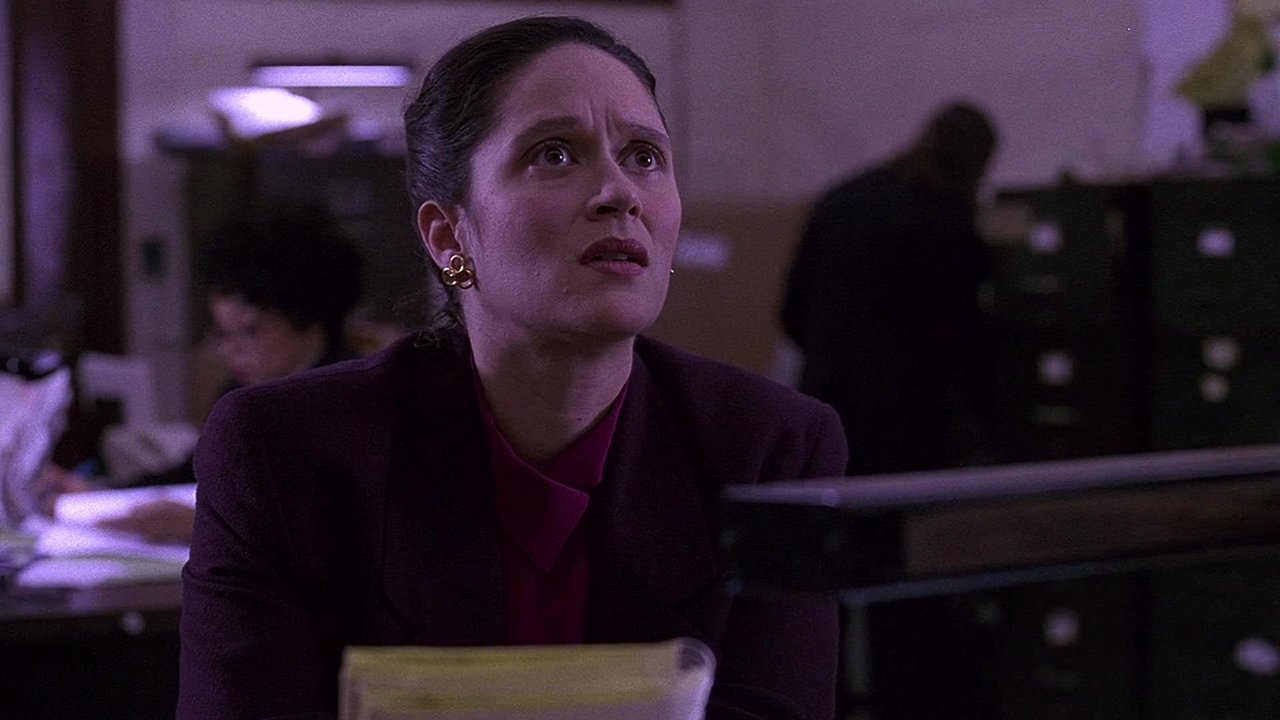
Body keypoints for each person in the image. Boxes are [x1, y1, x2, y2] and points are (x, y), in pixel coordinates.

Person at [178, 15, 848, 720]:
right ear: (449, 236)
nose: (619, 192)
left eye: (644, 156)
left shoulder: (772, 449)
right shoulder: (286, 453)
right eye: (554, 154)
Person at [36, 206, 366, 542]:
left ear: (310, 320)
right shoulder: (240, 393)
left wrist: (202, 522)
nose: (229, 350)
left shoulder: (352, 400)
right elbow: (194, 472)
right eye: (222, 333)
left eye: (249, 332)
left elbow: (339, 522)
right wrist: (97, 493)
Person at [782, 102, 998, 475]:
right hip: (905, 426)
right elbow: (959, 335)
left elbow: (793, 310)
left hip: (826, 406)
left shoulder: (841, 199)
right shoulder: (945, 221)